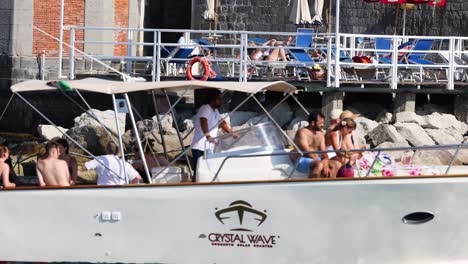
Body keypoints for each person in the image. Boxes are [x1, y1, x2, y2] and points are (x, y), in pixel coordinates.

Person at [191, 89, 233, 178]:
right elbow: (203, 121)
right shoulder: (205, 108)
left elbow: (221, 122)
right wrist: (208, 136)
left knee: (207, 170)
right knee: (199, 171)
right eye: (219, 99)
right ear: (213, 99)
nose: (221, 101)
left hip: (208, 146)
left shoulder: (215, 111)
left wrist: (231, 133)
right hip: (200, 146)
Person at [292, 112, 341, 178]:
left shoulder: (320, 134)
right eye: (320, 123)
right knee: (319, 164)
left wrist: (325, 165)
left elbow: (324, 153)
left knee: (336, 164)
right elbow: (306, 152)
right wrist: (322, 163)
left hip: (317, 159)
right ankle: (313, 187)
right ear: (313, 123)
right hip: (302, 159)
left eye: (323, 123)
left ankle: (328, 185)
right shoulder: (302, 132)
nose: (323, 125)